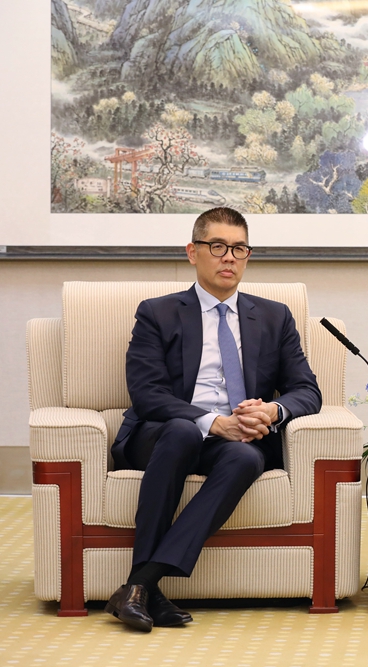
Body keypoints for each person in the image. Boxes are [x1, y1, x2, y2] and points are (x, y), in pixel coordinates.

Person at [105, 207, 322, 632]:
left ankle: (140, 586)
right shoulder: (157, 313)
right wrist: (213, 422)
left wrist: (272, 410)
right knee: (184, 431)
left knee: (246, 458)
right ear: (193, 252)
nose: (229, 257)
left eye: (239, 249)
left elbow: (307, 390)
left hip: (235, 443)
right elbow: (148, 394)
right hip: (162, 435)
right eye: (218, 246)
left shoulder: (274, 316)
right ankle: (145, 586)